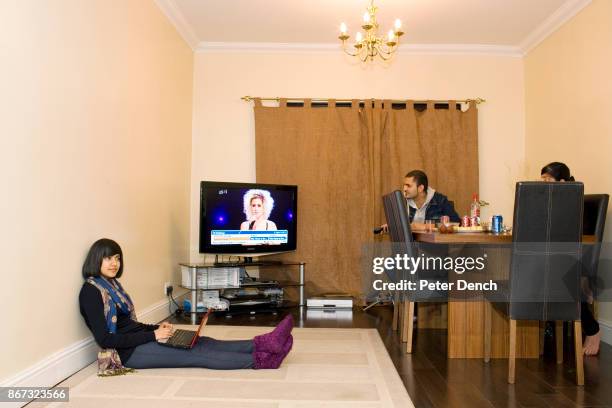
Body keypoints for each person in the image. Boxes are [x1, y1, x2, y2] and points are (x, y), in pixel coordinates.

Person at [79, 238, 293, 376]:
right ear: (96, 259)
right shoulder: (91, 291)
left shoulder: (112, 285)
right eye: (108, 258)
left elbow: (129, 325)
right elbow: (106, 339)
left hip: (139, 340)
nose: (114, 263)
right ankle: (264, 360)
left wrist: (155, 328)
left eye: (117, 258)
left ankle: (264, 343)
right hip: (127, 353)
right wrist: (153, 336)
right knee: (196, 354)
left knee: (200, 341)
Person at [540, 161, 601, 356]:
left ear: (563, 182)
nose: (544, 184)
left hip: (575, 259)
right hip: (559, 258)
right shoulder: (551, 202)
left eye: (548, 180)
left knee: (560, 276)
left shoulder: (574, 203)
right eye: (542, 180)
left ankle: (593, 330)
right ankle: (545, 328)